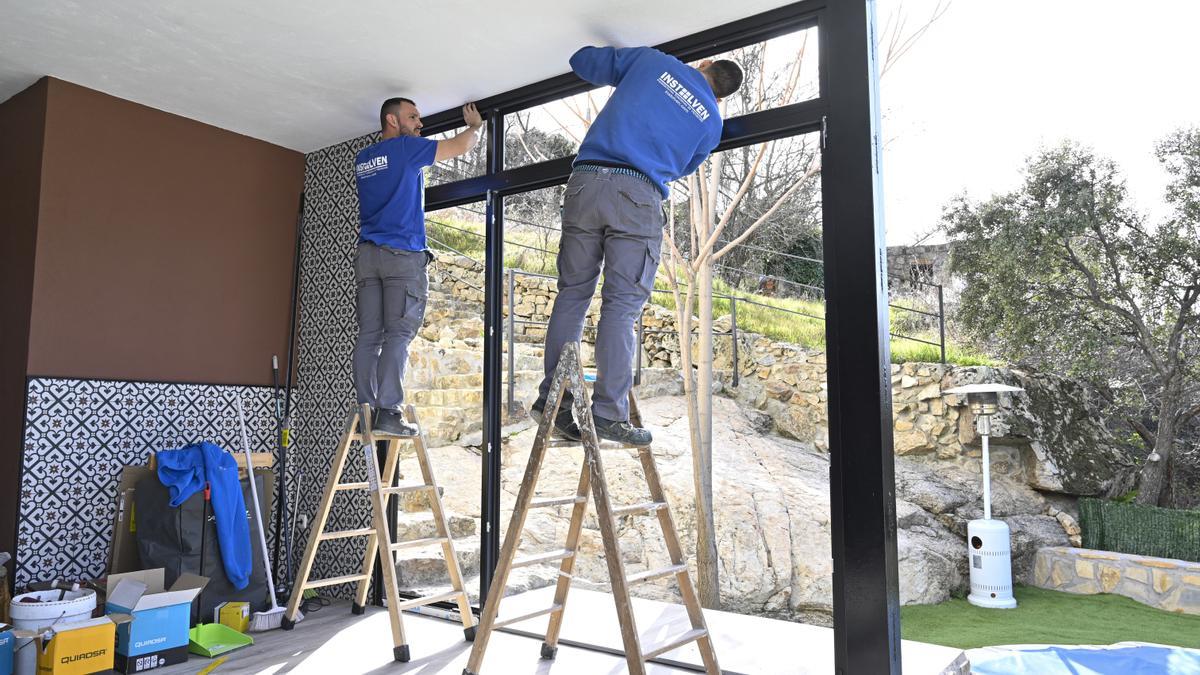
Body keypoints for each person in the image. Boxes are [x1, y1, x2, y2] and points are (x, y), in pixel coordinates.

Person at [533, 46, 743, 445]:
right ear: (719, 97)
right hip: (636, 194)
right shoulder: (711, 121)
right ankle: (609, 414)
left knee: (572, 295)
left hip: (586, 182)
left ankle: (553, 401)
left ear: (704, 65)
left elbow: (581, 60)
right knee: (621, 307)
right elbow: (682, 165)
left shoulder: (654, 62)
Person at [353, 98, 483, 436]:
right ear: (392, 121)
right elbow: (459, 146)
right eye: (413, 117)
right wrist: (475, 127)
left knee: (369, 336)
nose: (419, 123)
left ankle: (365, 412)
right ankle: (388, 412)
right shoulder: (405, 149)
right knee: (398, 334)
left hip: (367, 256)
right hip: (401, 256)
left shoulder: (363, 159)